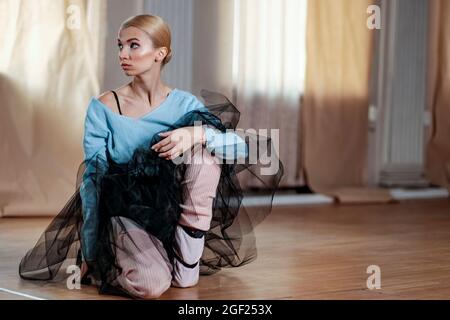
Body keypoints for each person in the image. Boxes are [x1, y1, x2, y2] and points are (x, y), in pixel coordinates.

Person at [19, 14, 284, 299]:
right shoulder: (103, 107)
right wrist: (93, 252)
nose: (123, 54)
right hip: (127, 216)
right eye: (120, 46)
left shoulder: (184, 104)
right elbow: (92, 182)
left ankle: (184, 264)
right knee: (151, 285)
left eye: (133, 46)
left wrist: (197, 135)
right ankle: (132, 261)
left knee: (206, 155)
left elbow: (241, 149)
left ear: (161, 53)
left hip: (174, 216)